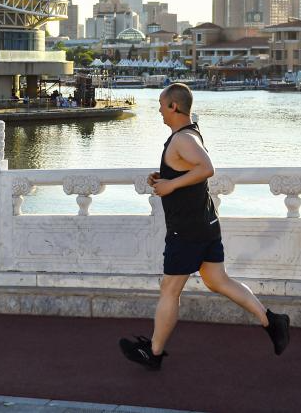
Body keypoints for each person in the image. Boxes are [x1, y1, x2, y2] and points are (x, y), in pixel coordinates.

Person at [119, 82, 290, 370]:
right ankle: (271, 321)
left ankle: (154, 353)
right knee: (217, 280)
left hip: (187, 229)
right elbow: (192, 169)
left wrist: (171, 183)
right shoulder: (188, 134)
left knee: (169, 289)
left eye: (161, 105)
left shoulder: (182, 140)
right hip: (205, 223)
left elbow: (207, 168)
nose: (159, 111)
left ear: (174, 106)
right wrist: (165, 176)